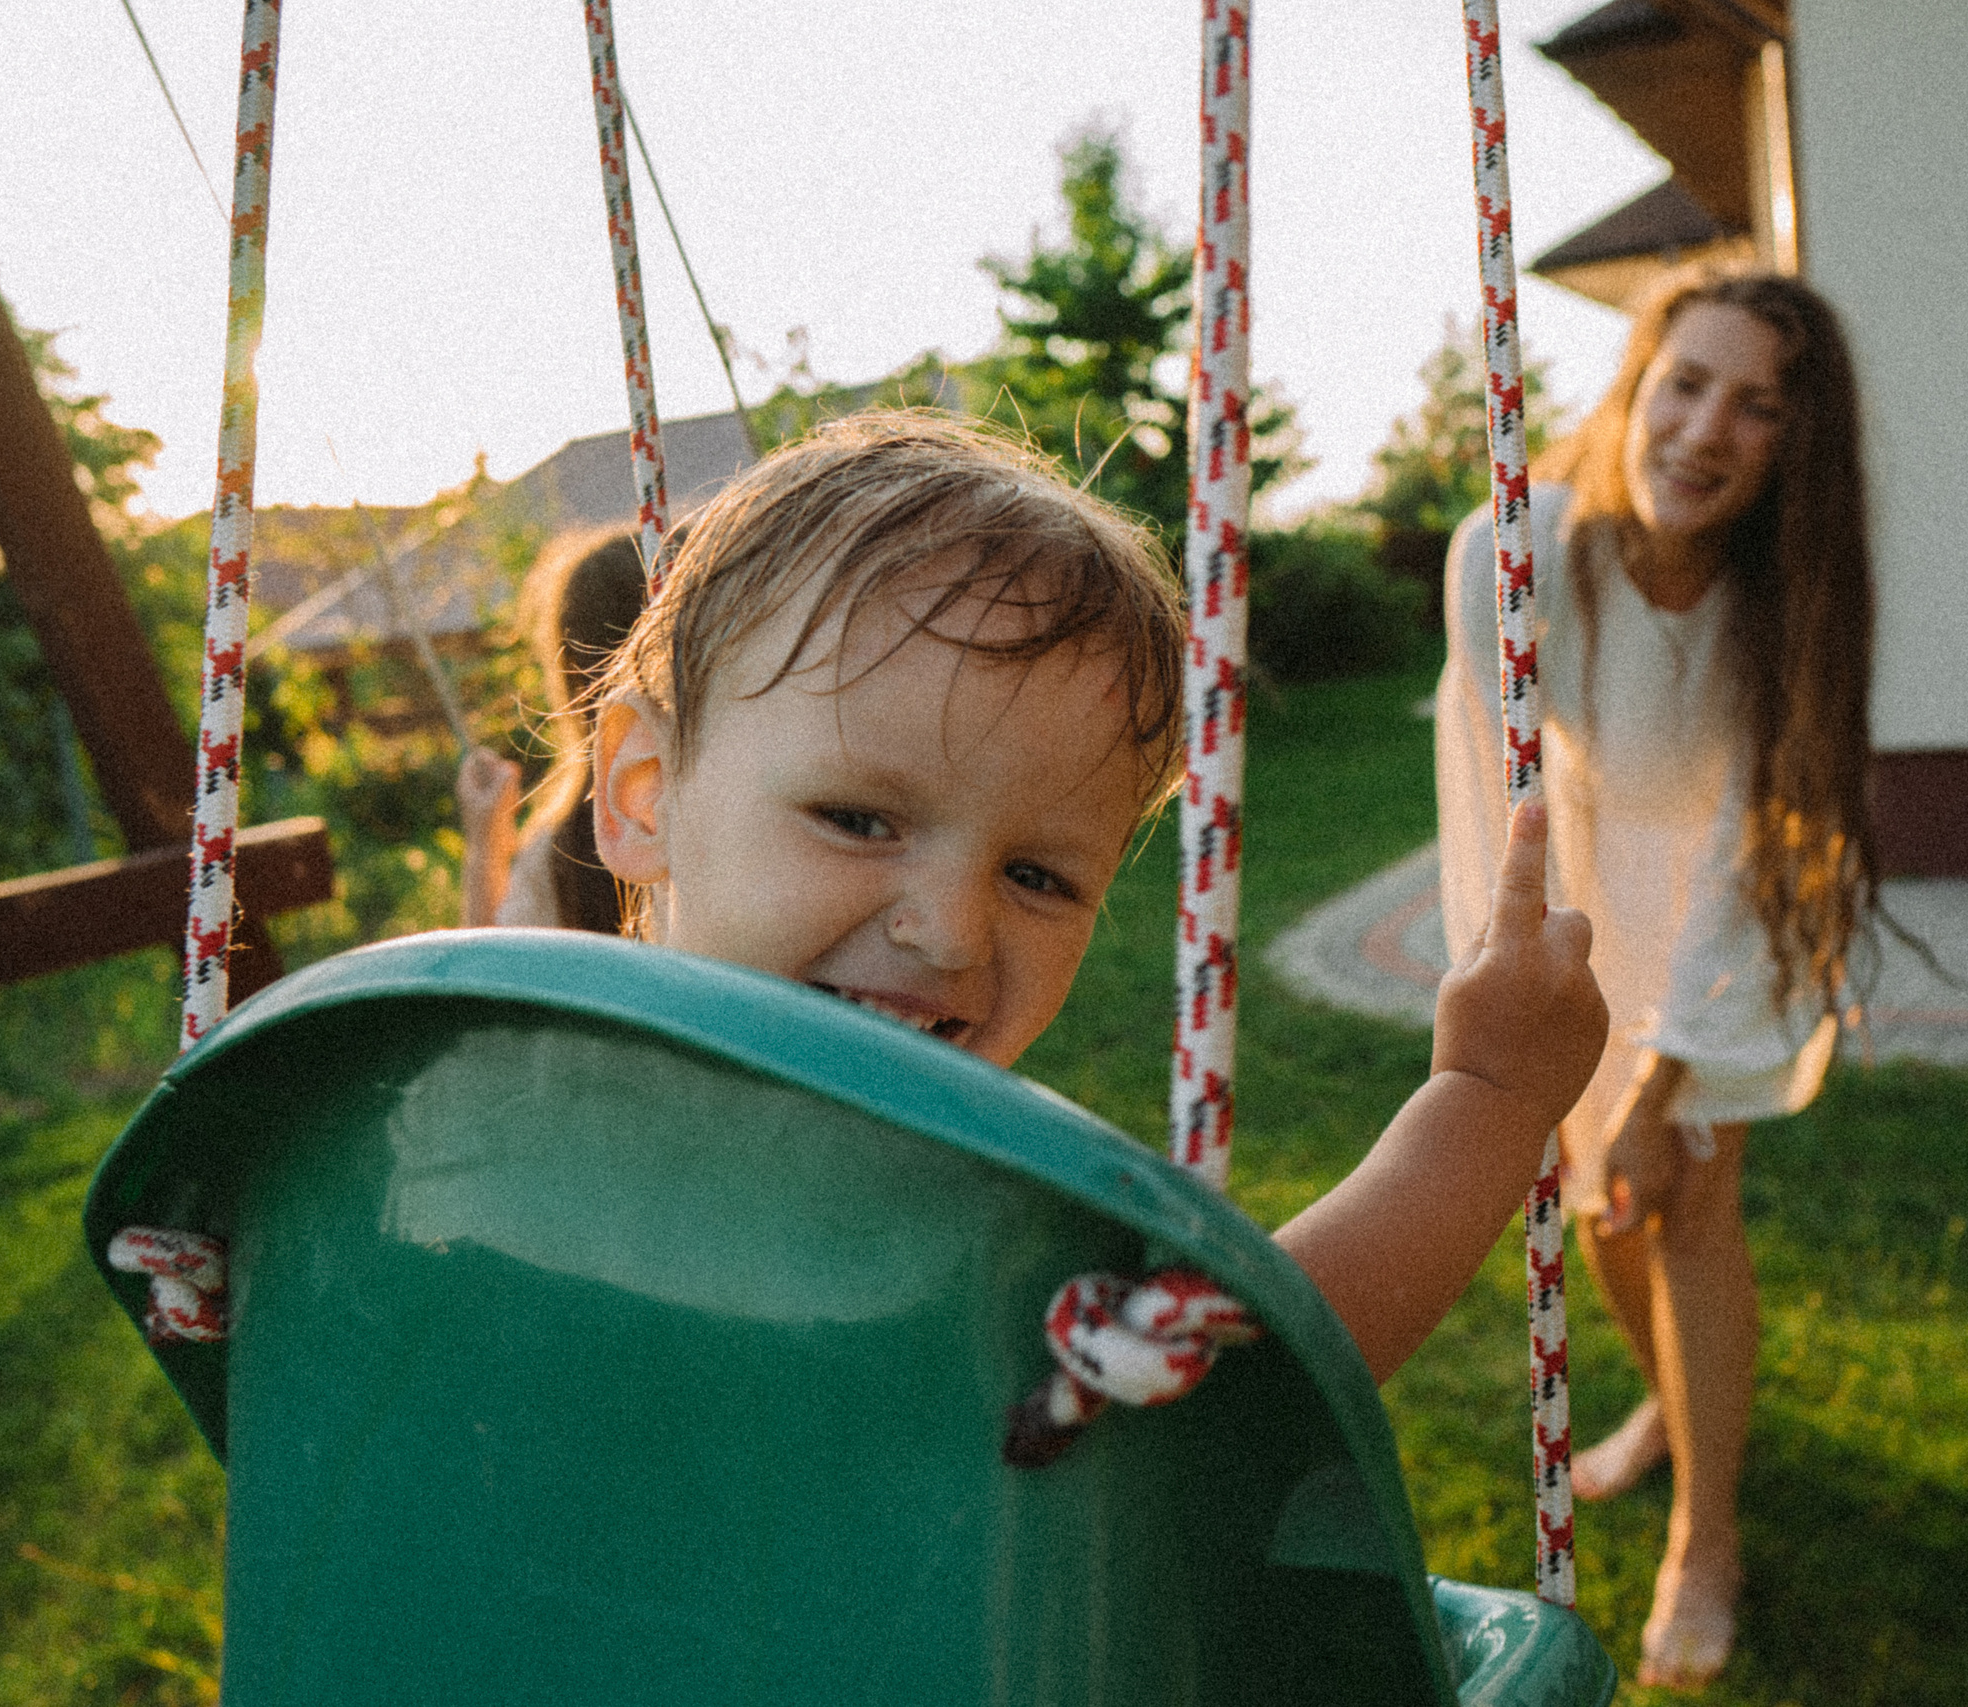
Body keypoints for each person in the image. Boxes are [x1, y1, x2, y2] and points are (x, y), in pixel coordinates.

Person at [587, 409, 1608, 1382]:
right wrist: (1487, 1108)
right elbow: (1233, 1414)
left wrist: (1487, 1102)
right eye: (857, 821)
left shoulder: (996, 1220)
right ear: (643, 795)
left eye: (1036, 876)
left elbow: (1225, 1395)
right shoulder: (465, 1133)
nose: (950, 933)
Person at [1436, 269, 1884, 1688]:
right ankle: (1676, 1409)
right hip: (1573, 893)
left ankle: (1707, 1529)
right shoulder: (1512, 551)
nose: (1705, 430)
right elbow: (1504, 794)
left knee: (1683, 1187)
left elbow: (1758, 838)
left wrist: (1661, 1065)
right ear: (1635, 382)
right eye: (1686, 382)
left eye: (1757, 407)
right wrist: (1540, 1010)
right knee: (1599, 1203)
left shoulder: (1785, 603)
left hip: (1714, 913)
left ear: (1792, 450)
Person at [458, 532, 649, 932]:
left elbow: (489, 980)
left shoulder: (565, 851)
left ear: (575, 681)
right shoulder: (754, 809)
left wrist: (485, 845)